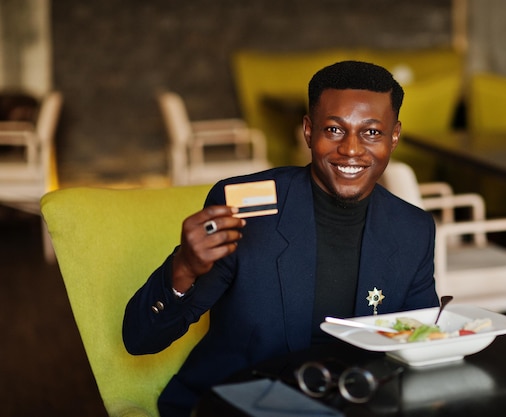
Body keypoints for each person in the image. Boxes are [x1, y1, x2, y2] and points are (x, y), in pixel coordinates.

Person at [123, 60, 439, 416]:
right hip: (234, 404)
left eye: (371, 132)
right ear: (308, 130)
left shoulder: (413, 229)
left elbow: (421, 342)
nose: (351, 149)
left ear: (394, 136)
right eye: (334, 130)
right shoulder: (244, 210)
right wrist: (184, 268)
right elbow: (140, 339)